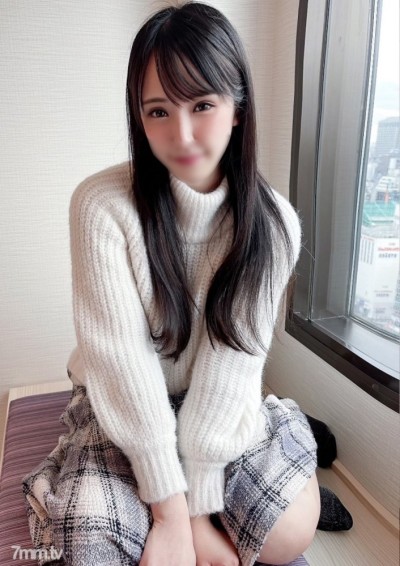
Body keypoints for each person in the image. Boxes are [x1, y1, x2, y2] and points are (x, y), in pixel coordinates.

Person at [22, 3, 322, 565]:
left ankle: (283, 427)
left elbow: (232, 360)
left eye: (202, 105)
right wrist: (169, 512)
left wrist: (200, 510)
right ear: (138, 118)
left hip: (217, 399)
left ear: (238, 108)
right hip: (122, 402)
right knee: (91, 546)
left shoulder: (274, 225)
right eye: (158, 111)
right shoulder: (100, 206)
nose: (180, 134)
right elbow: (121, 362)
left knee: (288, 536)